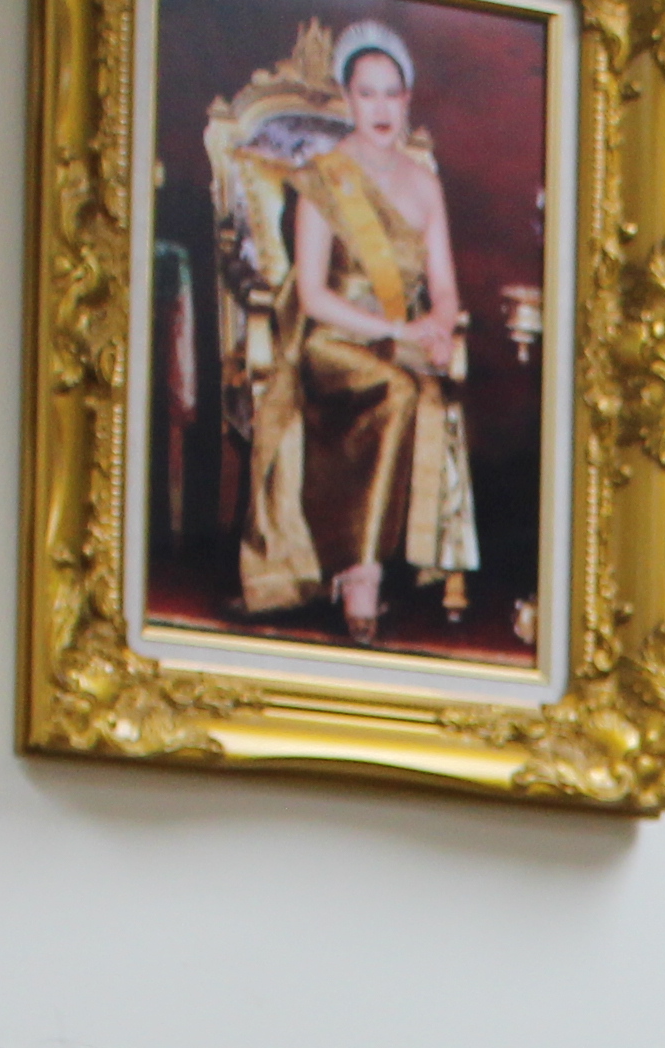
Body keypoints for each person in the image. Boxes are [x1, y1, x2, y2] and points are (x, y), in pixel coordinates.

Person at [237, 20, 478, 642]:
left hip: (393, 337)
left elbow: (445, 285)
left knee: (416, 387)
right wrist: (398, 331)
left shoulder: (425, 185)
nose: (379, 107)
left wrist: (439, 323)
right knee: (400, 390)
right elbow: (314, 296)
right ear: (346, 99)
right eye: (365, 93)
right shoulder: (324, 176)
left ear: (406, 101)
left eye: (391, 93)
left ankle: (369, 564)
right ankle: (360, 572)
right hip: (328, 342)